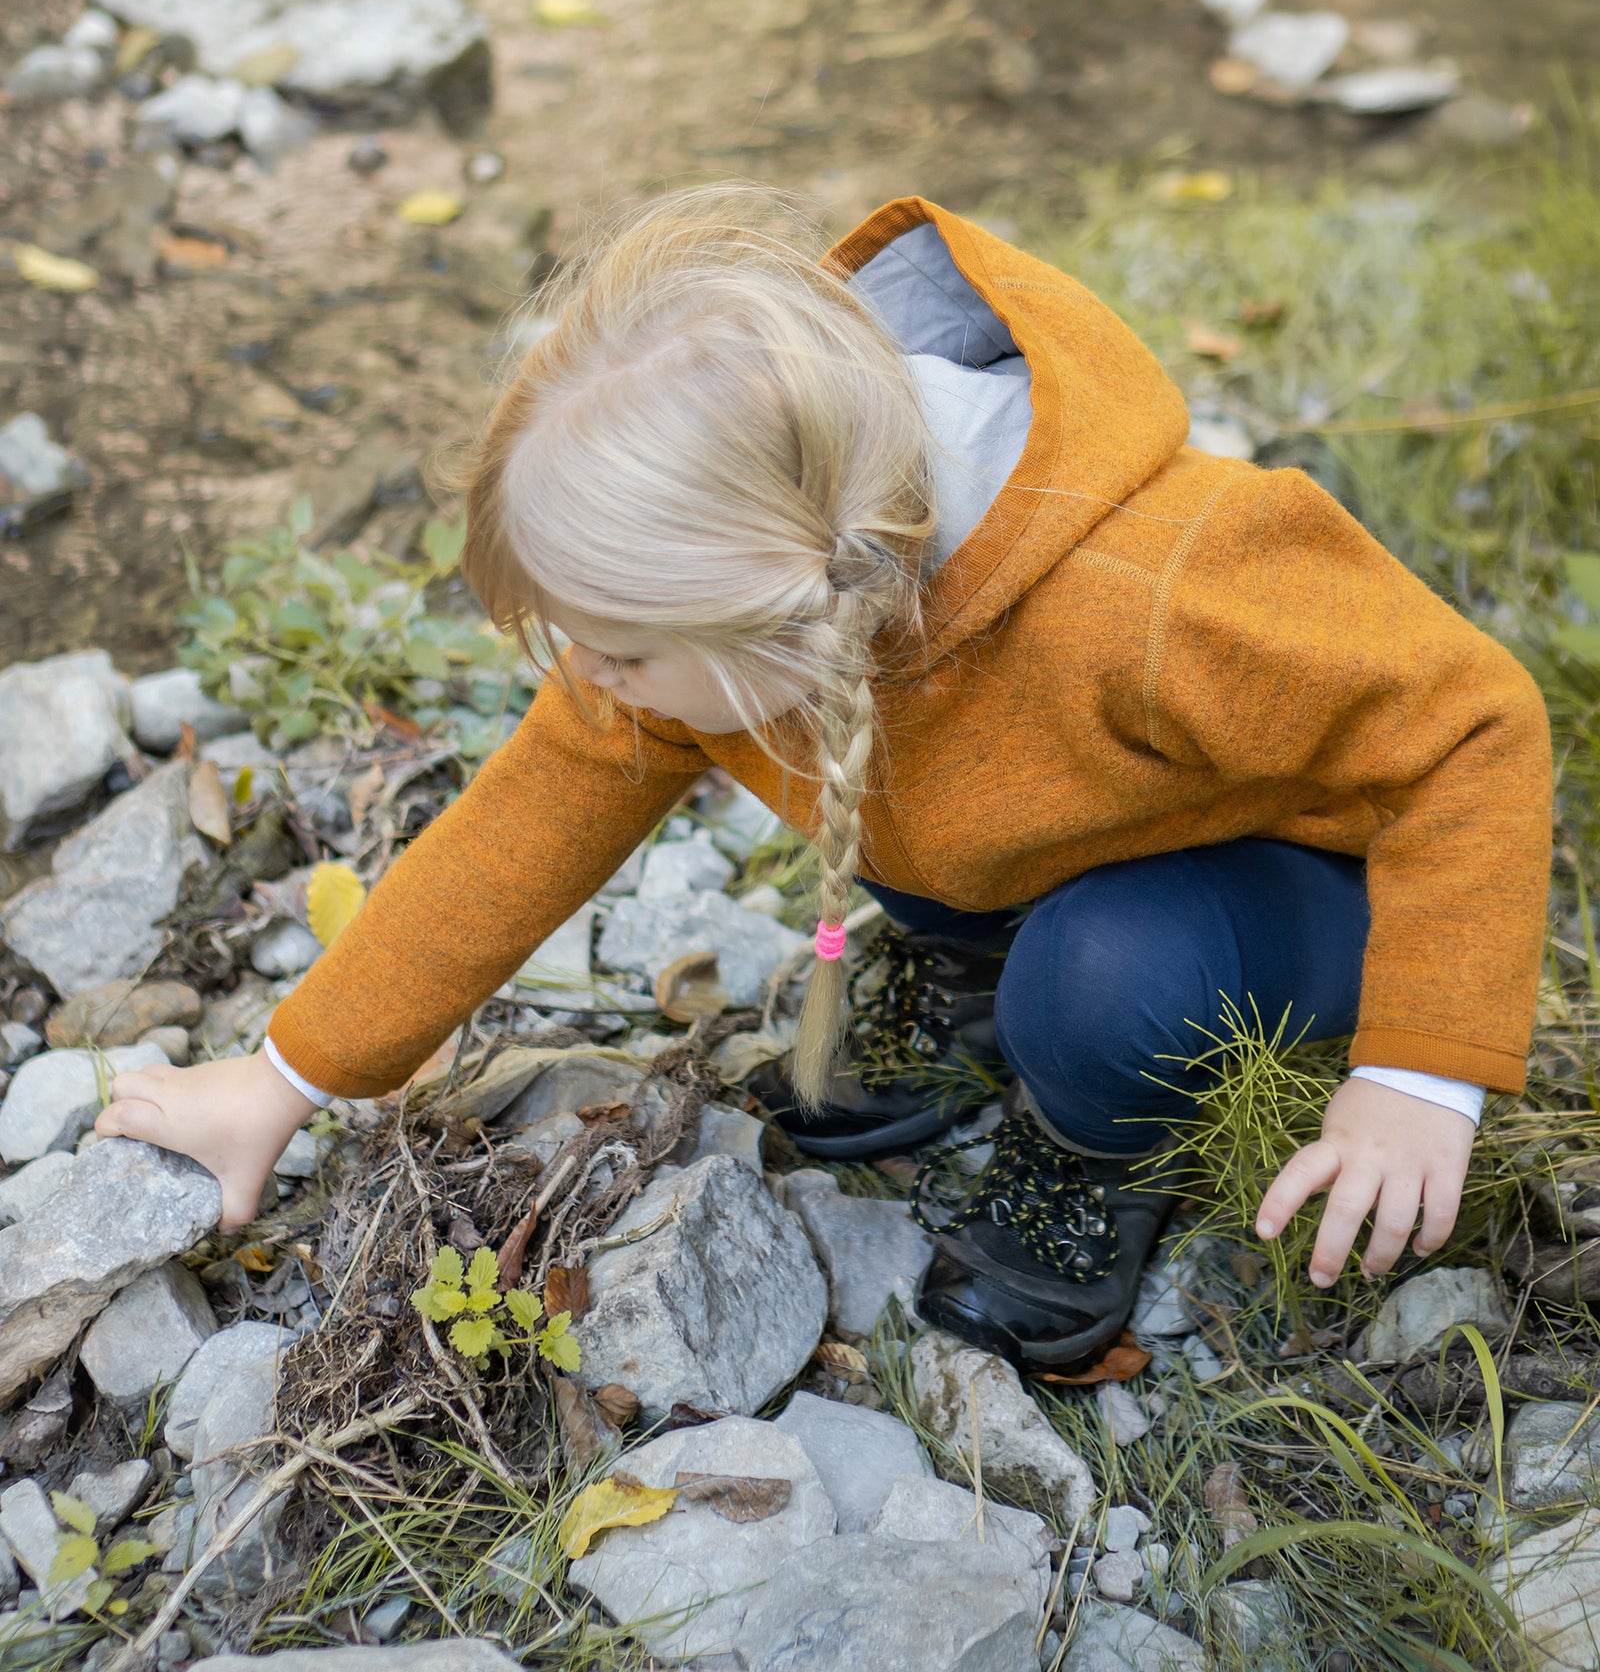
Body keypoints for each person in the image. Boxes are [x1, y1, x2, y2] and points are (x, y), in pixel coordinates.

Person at [97, 185, 1553, 1372]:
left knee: (1101, 985)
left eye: (613, 651)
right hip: (1047, 833)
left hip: (1298, 887)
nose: (587, 682)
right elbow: (519, 830)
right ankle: (981, 979)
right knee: (940, 825)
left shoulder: (1159, 591)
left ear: (792, 606)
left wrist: (1420, 1075)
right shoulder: (733, 617)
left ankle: (1093, 1141)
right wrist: (289, 1075)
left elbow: (1471, 728)